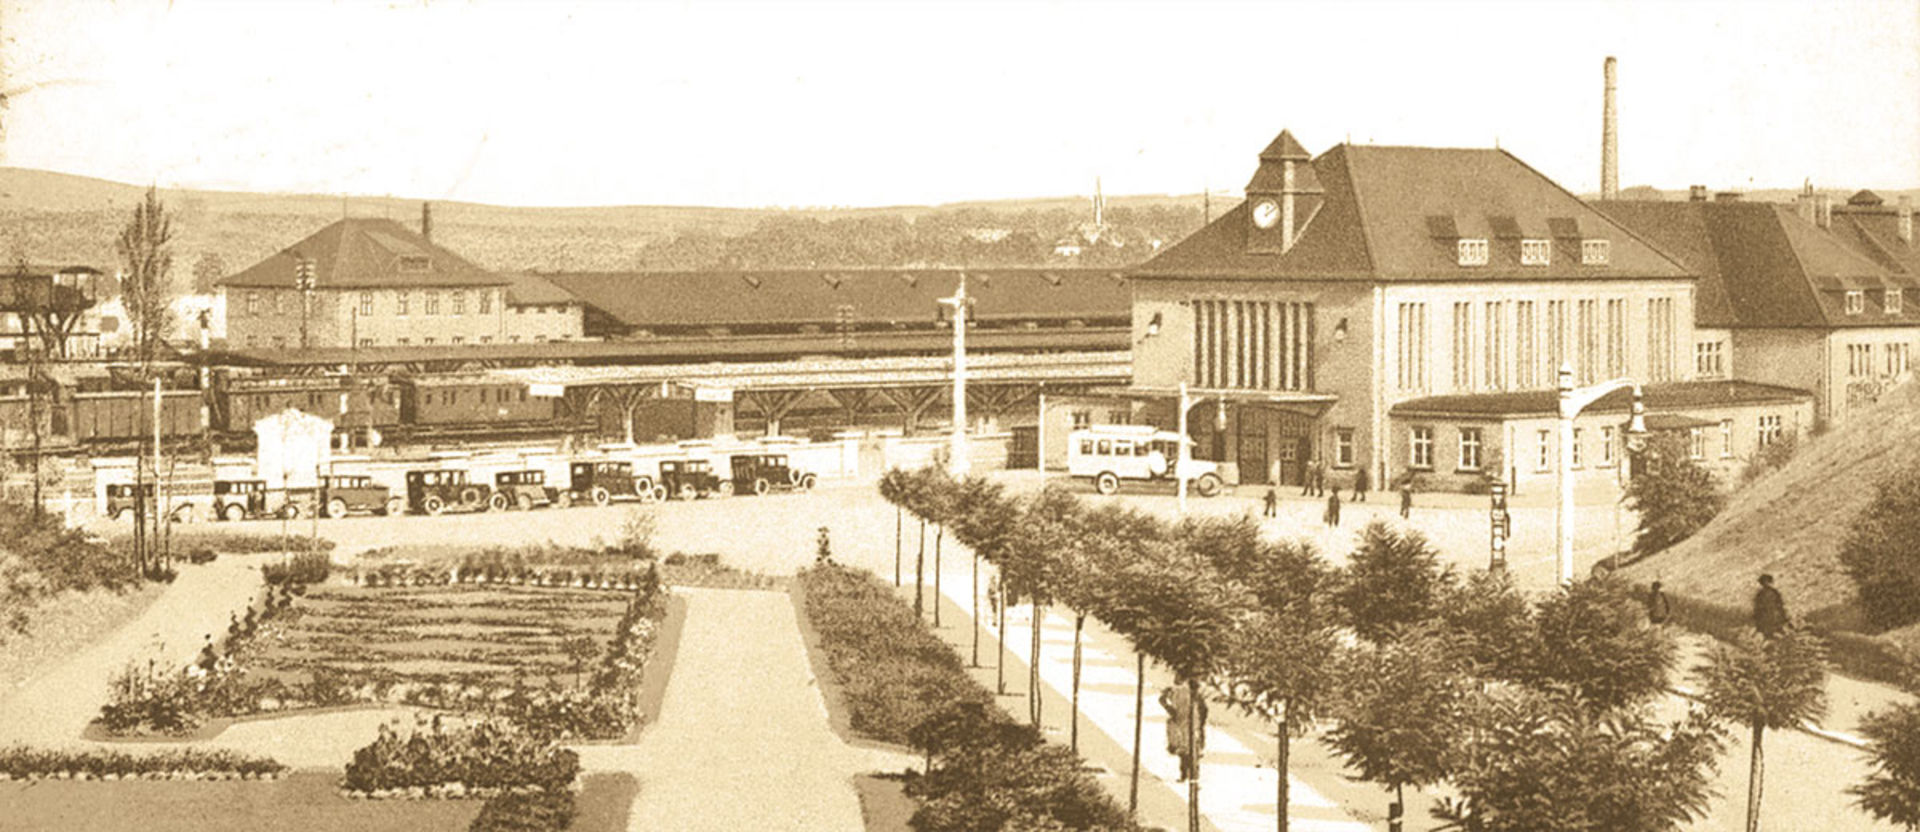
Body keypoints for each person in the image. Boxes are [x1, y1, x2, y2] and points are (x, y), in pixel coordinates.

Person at [1160, 682, 1208, 782]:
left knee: (1186, 750)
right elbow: (1204, 709)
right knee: (1188, 749)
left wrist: (1170, 710)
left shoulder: (1177, 691)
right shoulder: (1182, 692)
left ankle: (1188, 775)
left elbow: (1162, 700)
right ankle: (1191, 775)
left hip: (1186, 722)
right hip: (1189, 723)